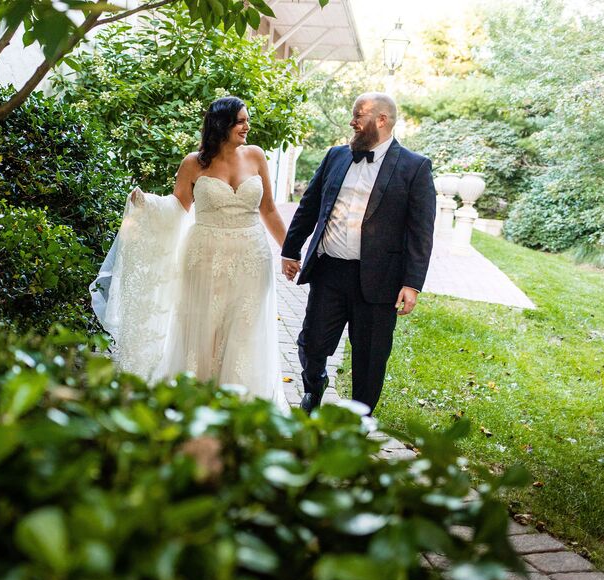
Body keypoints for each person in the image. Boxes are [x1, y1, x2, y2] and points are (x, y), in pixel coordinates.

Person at [91, 96, 290, 408]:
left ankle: (238, 405)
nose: (247, 126)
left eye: (246, 120)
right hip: (204, 258)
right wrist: (147, 205)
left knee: (244, 331)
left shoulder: (256, 156)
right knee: (201, 329)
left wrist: (290, 252)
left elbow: (269, 209)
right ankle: (196, 401)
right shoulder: (193, 163)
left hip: (252, 258)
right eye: (240, 121)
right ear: (221, 124)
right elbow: (178, 207)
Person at [280, 92, 436, 414]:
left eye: (358, 116)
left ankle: (359, 420)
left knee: (370, 357)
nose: (352, 122)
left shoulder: (414, 167)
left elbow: (421, 230)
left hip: (379, 279)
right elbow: (310, 206)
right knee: (312, 343)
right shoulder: (336, 156)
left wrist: (412, 283)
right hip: (329, 270)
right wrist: (290, 250)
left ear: (382, 120)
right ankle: (314, 386)